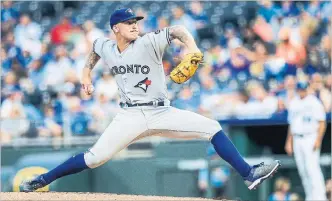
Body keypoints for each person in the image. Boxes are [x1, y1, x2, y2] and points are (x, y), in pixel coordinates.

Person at [20, 8, 280, 193]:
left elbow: (178, 30)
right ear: (115, 28)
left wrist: (193, 49)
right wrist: (86, 75)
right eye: (129, 22)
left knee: (212, 128)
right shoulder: (105, 45)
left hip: (161, 112)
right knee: (94, 158)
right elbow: (93, 53)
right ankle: (43, 179)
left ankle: (249, 174)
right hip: (129, 116)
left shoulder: (148, 43)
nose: (135, 25)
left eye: (136, 21)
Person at [285, 82, 327, 200]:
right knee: (302, 170)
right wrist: (289, 141)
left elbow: (322, 122)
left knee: (312, 168)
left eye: (303, 89)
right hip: (297, 137)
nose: (301, 91)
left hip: (310, 136)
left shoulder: (314, 102)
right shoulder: (294, 102)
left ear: (307, 89)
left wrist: (318, 140)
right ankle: (310, 196)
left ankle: (320, 197)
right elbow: (291, 124)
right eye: (299, 89)